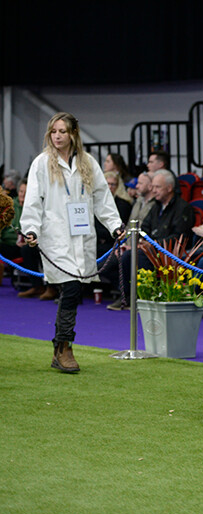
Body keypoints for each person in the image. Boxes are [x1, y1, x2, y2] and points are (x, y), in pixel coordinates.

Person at [20, 112, 124, 373]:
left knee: (74, 290)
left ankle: (59, 348)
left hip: (82, 236)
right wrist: (30, 228)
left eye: (63, 131)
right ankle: (65, 348)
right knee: (70, 288)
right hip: (55, 236)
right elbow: (32, 199)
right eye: (54, 131)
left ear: (73, 134)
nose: (57, 136)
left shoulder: (88, 162)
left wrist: (114, 225)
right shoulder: (41, 163)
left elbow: (101, 197)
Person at [108, 169, 194, 311]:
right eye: (153, 187)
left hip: (169, 251)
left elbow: (180, 236)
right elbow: (145, 227)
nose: (154, 191)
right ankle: (127, 296)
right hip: (150, 247)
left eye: (157, 187)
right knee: (126, 256)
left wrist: (153, 245)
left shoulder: (183, 208)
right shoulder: (156, 207)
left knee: (138, 256)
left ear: (169, 188)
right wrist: (140, 242)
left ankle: (143, 296)